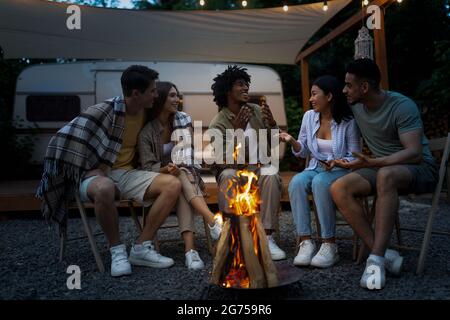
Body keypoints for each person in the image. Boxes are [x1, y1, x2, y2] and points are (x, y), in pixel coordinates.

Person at [37, 65, 180, 277]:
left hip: (128, 173)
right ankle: (117, 251)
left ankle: (141, 246)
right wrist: (85, 170)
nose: (155, 95)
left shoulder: (146, 112)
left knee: (172, 185)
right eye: (151, 91)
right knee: (104, 188)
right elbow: (60, 142)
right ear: (135, 94)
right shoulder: (104, 111)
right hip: (96, 175)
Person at [330, 59, 438, 289]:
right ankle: (384, 254)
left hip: (419, 169)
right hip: (380, 167)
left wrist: (373, 162)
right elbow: (323, 102)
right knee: (339, 188)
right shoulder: (354, 105)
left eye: (349, 85)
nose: (344, 90)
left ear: (365, 87)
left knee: (385, 175)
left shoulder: (402, 106)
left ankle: (376, 260)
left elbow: (414, 153)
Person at [138, 81, 223, 270]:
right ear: (159, 98)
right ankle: (210, 223)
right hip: (156, 179)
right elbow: (146, 167)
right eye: (172, 95)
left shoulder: (183, 119)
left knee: (182, 176)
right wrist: (167, 169)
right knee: (180, 177)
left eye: (177, 95)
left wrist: (177, 170)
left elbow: (187, 157)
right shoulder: (146, 131)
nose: (177, 99)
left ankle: (190, 251)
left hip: (182, 177)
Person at [280, 75, 361, 268]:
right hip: (315, 166)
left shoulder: (348, 121)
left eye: (315, 94)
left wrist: (338, 162)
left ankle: (329, 245)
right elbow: (303, 152)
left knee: (319, 182)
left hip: (340, 170)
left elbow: (355, 157)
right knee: (297, 182)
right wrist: (292, 141)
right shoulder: (309, 116)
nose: (311, 99)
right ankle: (306, 242)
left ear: (330, 96)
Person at [208, 65, 286, 261]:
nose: (246, 88)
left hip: (259, 169)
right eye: (240, 84)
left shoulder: (257, 110)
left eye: (246, 84)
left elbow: (274, 143)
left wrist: (273, 124)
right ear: (227, 91)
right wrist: (237, 131)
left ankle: (267, 238)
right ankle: (233, 238)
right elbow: (223, 161)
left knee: (270, 172)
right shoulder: (218, 123)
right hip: (236, 172)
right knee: (227, 176)